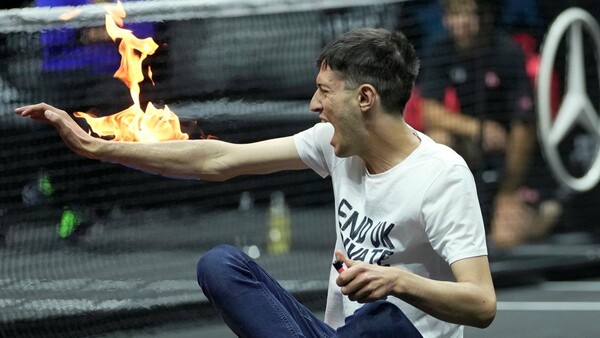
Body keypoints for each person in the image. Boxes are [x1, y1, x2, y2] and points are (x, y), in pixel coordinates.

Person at [16, 28, 496, 337]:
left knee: (383, 323)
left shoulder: (442, 175)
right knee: (221, 265)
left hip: (393, 336)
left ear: (365, 98)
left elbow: (481, 304)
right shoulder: (331, 143)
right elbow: (219, 159)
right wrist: (98, 147)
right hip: (335, 335)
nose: (314, 104)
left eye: (324, 92)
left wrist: (398, 281)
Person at [418, 0, 561, 249]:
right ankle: (444, 214)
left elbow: (524, 127)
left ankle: (550, 211)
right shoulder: (439, 50)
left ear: (483, 17)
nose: (462, 23)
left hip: (512, 153)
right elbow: (430, 112)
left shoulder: (507, 51)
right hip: (475, 145)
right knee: (439, 138)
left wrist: (509, 189)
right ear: (446, 20)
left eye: (469, 15)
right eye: (455, 15)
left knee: (506, 238)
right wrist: (478, 129)